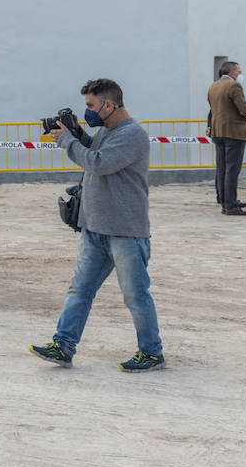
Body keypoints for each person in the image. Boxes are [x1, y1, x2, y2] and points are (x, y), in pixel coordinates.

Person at [30, 78, 165, 373]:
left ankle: (152, 352)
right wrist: (78, 134)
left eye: (91, 106)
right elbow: (96, 150)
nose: (87, 111)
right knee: (79, 290)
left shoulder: (132, 135)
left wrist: (68, 140)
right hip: (95, 228)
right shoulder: (107, 130)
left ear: (108, 104)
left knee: (135, 296)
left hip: (125, 232)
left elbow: (100, 163)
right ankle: (63, 345)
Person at [205, 61, 246, 216]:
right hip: (234, 133)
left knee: (222, 169)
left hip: (218, 132)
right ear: (232, 71)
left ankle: (225, 202)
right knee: (232, 169)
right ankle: (231, 206)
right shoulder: (234, 86)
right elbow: (243, 108)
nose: (240, 74)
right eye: (239, 70)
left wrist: (210, 126)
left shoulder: (213, 86)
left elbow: (214, 111)